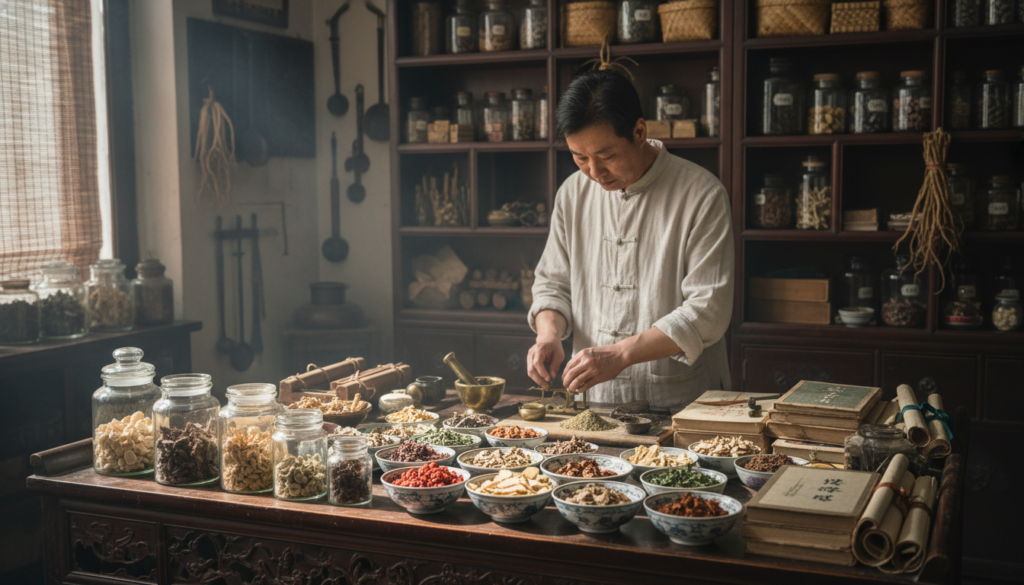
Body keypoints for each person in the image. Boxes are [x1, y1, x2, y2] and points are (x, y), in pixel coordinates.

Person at [526, 70, 734, 408]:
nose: (594, 172)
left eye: (606, 156)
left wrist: (621, 354)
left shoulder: (701, 194)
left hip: (681, 400)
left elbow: (707, 310)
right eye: (580, 157)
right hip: (595, 401)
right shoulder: (572, 194)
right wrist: (548, 334)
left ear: (639, 132)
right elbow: (553, 284)